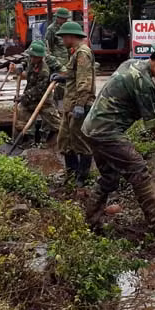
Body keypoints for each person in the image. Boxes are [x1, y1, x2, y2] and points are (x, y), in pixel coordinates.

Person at [81, 44, 155, 235]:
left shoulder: (132, 64)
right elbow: (153, 123)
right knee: (138, 169)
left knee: (109, 177)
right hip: (107, 132)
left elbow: (131, 92)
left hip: (91, 128)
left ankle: (91, 222)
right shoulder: (144, 81)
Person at [51, 21, 95, 186]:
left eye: (64, 37)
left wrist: (80, 104)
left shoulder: (83, 53)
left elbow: (84, 81)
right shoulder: (75, 53)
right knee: (64, 140)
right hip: (70, 104)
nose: (62, 40)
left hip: (79, 104)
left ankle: (81, 177)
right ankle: (72, 172)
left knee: (80, 141)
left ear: (71, 37)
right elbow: (74, 75)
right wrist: (62, 77)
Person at [11, 40, 61, 144]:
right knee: (23, 113)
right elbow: (25, 61)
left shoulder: (44, 71)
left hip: (43, 99)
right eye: (31, 56)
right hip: (30, 98)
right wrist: (21, 65)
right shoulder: (31, 60)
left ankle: (64, 138)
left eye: (34, 57)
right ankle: (28, 141)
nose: (32, 58)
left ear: (40, 57)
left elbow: (38, 90)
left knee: (54, 121)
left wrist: (23, 97)